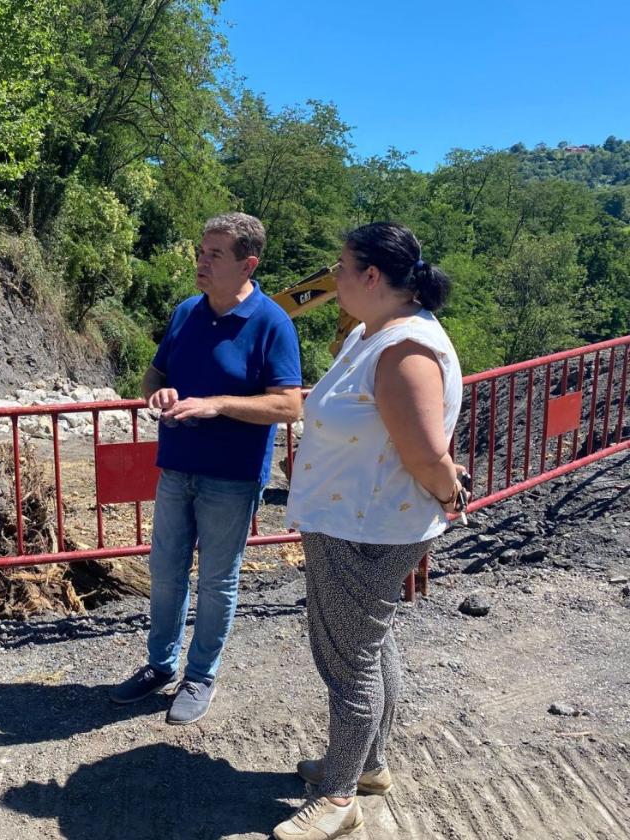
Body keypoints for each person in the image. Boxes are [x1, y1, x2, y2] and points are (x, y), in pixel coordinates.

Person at [274, 222, 466, 840]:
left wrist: (449, 495)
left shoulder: (403, 351)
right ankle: (368, 765)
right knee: (370, 644)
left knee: (346, 658)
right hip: (357, 517)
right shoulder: (372, 333)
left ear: (372, 277)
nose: (333, 279)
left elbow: (426, 455)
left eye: (340, 267)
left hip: (367, 527)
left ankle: (338, 797)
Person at [108, 212, 303, 724]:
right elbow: (154, 376)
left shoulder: (271, 322)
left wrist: (217, 404)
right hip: (176, 467)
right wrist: (160, 393)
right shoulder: (186, 312)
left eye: (215, 254)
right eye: (201, 251)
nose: (202, 261)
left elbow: (288, 406)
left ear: (248, 264)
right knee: (165, 573)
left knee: (218, 580)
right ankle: (159, 666)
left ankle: (200, 676)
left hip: (232, 477)